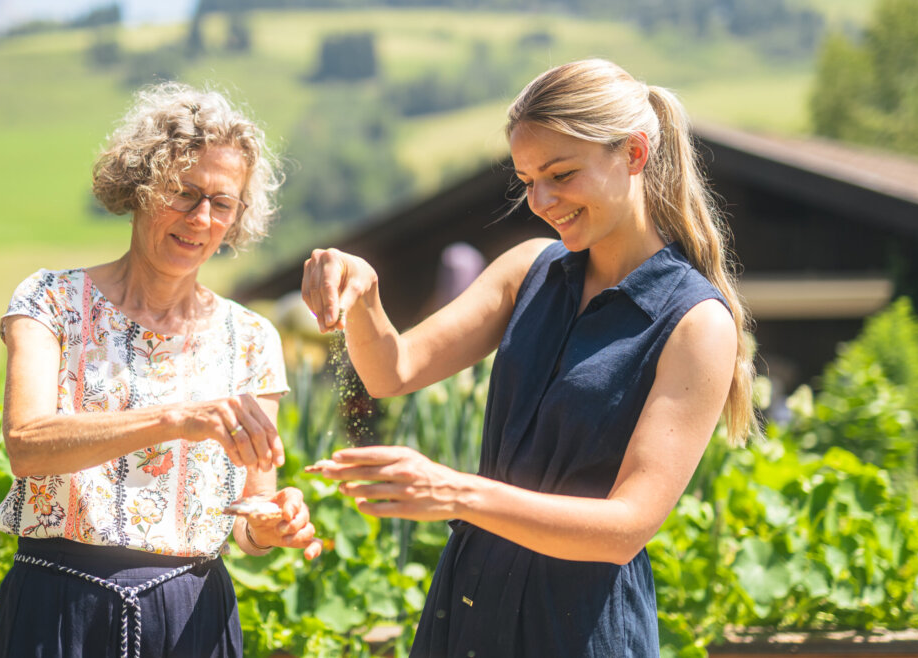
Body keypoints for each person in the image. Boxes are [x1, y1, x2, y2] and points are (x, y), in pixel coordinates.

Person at [302, 58, 756, 657]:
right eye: (526, 180)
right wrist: (363, 293)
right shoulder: (529, 270)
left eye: (561, 174)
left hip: (576, 630)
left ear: (636, 154)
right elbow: (393, 372)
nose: (540, 200)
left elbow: (625, 528)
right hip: (467, 607)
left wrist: (456, 493)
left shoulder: (697, 323)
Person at [0, 83, 320, 658]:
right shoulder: (51, 302)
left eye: (222, 203)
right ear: (142, 185)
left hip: (192, 616)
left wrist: (269, 524)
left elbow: (250, 511)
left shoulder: (251, 339)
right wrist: (176, 418)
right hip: (60, 607)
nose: (201, 218)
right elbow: (28, 446)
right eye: (184, 192)